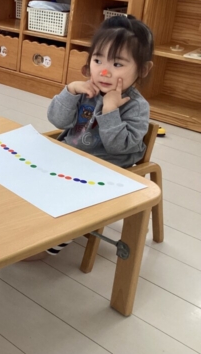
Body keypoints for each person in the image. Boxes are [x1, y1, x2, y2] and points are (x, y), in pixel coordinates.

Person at [27, 15, 154, 260]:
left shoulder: (136, 106)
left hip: (103, 170)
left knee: (69, 202)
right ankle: (30, 223)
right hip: (67, 158)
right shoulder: (87, 90)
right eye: (97, 60)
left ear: (143, 69)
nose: (104, 71)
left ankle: (48, 245)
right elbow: (57, 120)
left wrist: (110, 110)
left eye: (117, 64)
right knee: (28, 178)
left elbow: (118, 147)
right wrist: (70, 91)